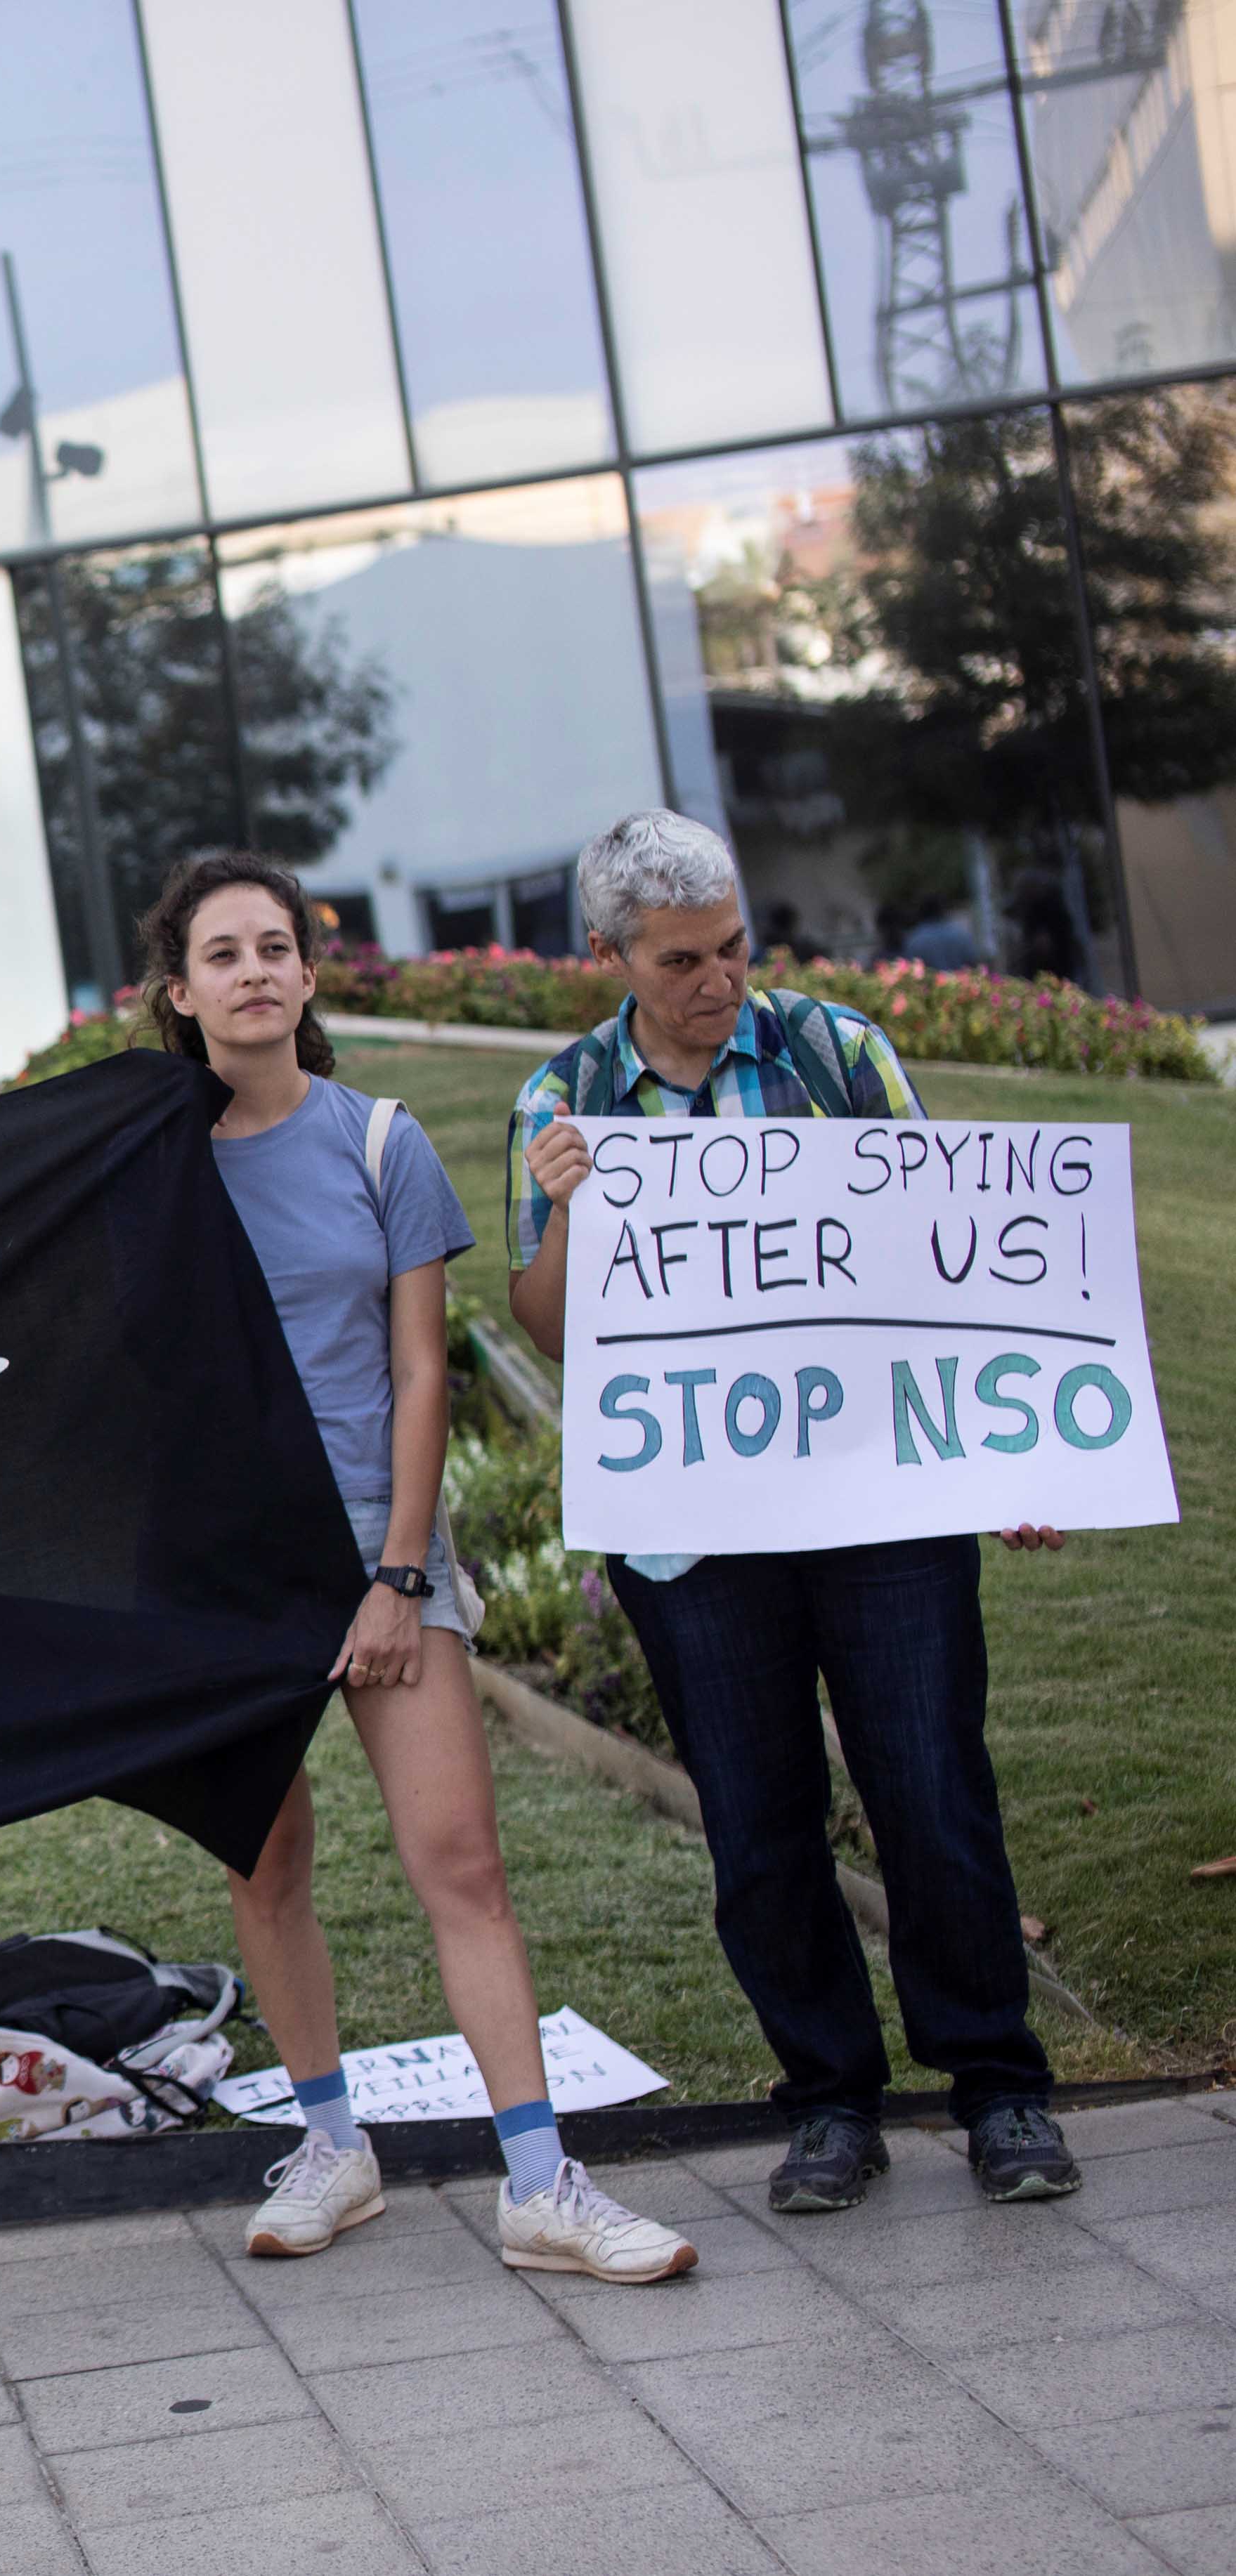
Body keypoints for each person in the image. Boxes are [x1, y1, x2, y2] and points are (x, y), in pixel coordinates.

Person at [508, 810, 1078, 2213]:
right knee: (759, 1826)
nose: (717, 981)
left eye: (732, 948)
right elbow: (552, 1329)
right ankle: (829, 2102)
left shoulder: (836, 1055)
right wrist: (570, 1212)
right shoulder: (563, 1099)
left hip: (877, 1503)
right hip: (694, 1535)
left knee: (930, 1793)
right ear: (609, 954)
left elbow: (948, 1256)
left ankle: (996, 2087)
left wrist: (999, 1458)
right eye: (680, 960)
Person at [143, 854, 696, 2285]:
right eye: (222, 954)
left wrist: (396, 1575)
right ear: (178, 991)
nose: (254, 972)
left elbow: (417, 1372)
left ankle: (540, 2183)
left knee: (462, 1861)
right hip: (228, 1573)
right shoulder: (146, 1168)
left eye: (275, 947)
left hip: (377, 1553)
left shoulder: (381, 1142)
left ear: (307, 973)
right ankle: (331, 2145)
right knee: (265, 1863)